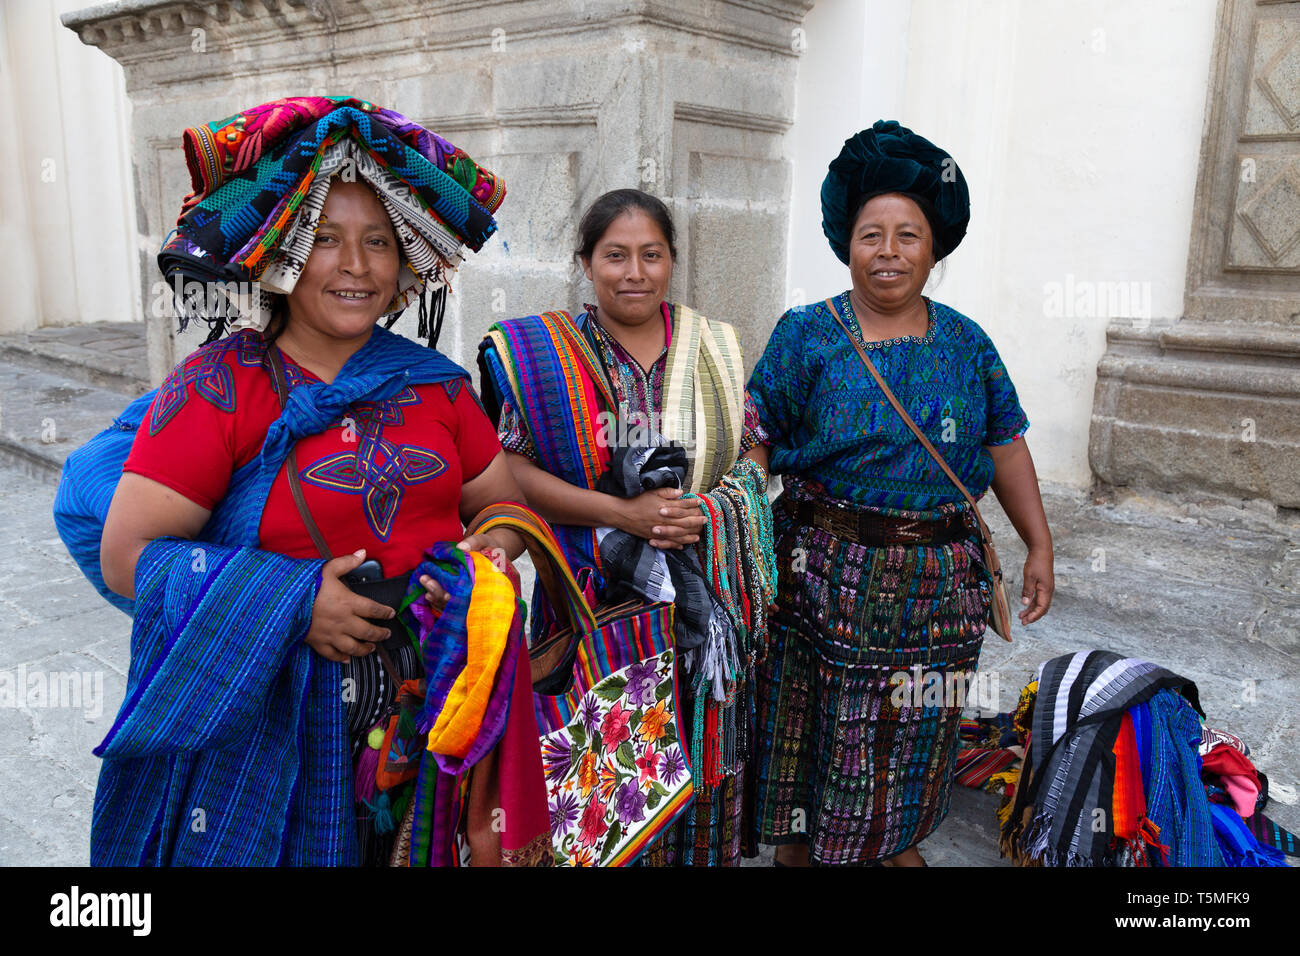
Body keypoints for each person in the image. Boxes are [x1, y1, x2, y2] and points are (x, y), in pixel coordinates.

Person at [59, 96, 550, 866]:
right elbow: (131, 556)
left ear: (405, 266)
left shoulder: (441, 386)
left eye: (379, 243)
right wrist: (295, 602)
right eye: (325, 239)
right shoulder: (219, 387)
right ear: (279, 255)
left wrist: (489, 554)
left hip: (430, 711)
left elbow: (503, 503)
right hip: (269, 718)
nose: (356, 265)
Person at [748, 120, 1055, 867]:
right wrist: (745, 536)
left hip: (937, 586)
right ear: (846, 244)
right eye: (870, 235)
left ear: (934, 247)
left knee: (916, 728)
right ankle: (804, 846)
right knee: (814, 722)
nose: (887, 252)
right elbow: (756, 433)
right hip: (821, 574)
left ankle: (890, 844)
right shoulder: (806, 334)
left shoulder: (967, 343)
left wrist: (1040, 542)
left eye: (907, 235)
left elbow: (1004, 441)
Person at [478, 188, 774, 866]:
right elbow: (511, 471)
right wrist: (622, 514)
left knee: (698, 776)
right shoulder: (546, 355)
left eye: (651, 254)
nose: (633, 271)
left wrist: (713, 509)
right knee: (603, 790)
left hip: (703, 608)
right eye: (615, 255)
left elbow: (755, 447)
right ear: (586, 262)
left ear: (672, 262)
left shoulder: (714, 349)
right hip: (590, 603)